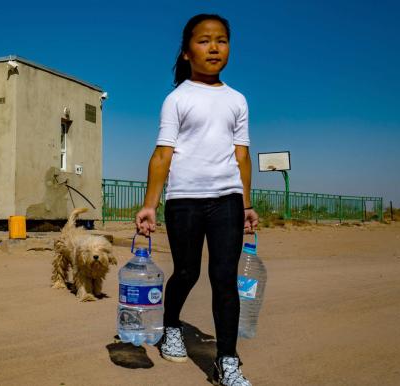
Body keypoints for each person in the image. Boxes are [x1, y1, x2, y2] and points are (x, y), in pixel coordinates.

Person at [134, 14, 259, 386]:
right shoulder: (177, 99)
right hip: (184, 200)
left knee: (224, 278)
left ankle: (227, 360)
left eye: (221, 40)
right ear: (187, 52)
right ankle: (171, 325)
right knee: (186, 272)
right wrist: (149, 205)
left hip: (227, 201)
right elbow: (162, 155)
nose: (214, 47)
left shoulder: (237, 100)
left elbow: (242, 156)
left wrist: (247, 203)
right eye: (204, 41)